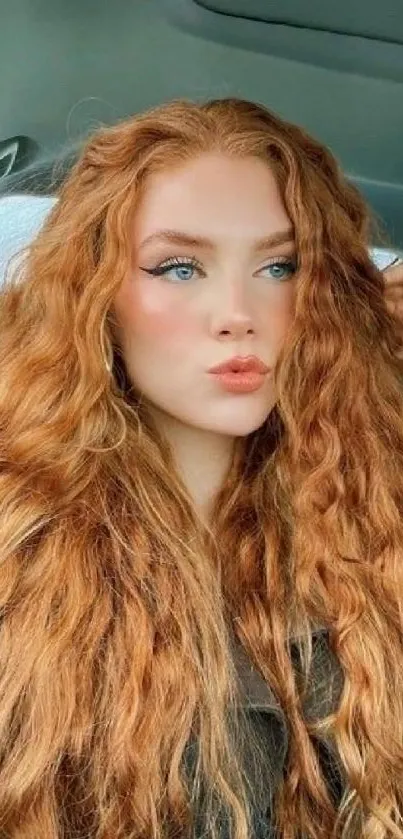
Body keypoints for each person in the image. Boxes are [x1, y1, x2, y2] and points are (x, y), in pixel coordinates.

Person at [0, 97, 402, 839]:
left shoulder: (376, 532)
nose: (236, 311)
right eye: (180, 266)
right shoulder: (18, 553)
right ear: (96, 293)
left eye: (279, 265)